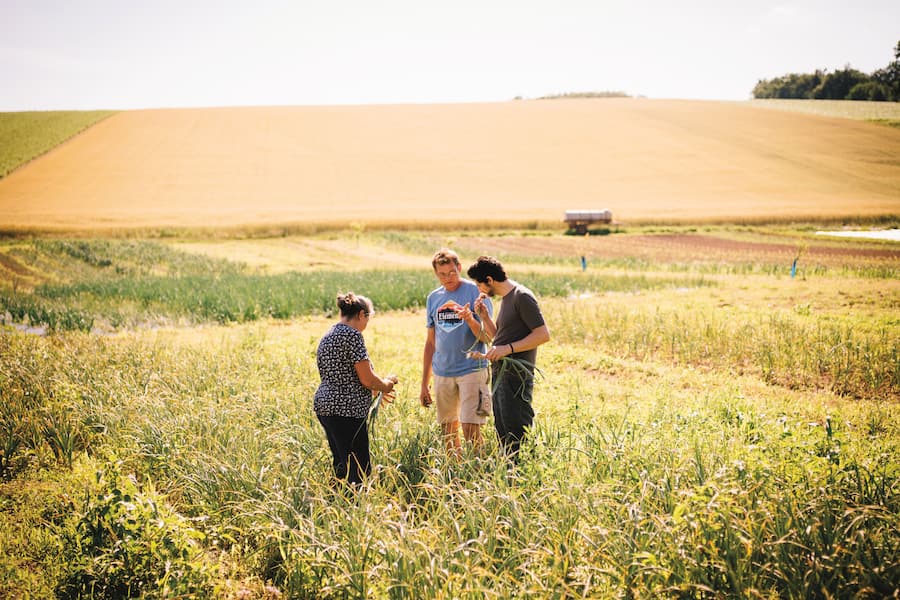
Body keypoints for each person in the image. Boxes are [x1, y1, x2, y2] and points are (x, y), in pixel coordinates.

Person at [466, 256, 550, 460]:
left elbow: (543, 335)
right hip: (502, 375)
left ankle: (523, 474)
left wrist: (508, 349)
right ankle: (510, 473)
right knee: (503, 429)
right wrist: (484, 317)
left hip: (517, 377)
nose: (480, 290)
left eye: (479, 284)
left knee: (517, 430)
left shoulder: (522, 296)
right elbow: (500, 338)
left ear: (489, 279)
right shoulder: (506, 300)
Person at [314, 292, 398, 485]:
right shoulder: (352, 335)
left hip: (326, 406)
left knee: (342, 464)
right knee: (359, 469)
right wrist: (386, 385)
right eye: (368, 318)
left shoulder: (329, 334)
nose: (366, 324)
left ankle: (336, 504)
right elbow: (367, 379)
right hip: (346, 410)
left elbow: (345, 373)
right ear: (362, 314)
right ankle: (354, 508)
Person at [420, 249, 494, 453]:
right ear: (436, 274)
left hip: (472, 368)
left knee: (471, 427)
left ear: (459, 268)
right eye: (442, 274)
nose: (448, 278)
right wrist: (424, 383)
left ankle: (479, 474)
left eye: (452, 272)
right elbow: (430, 343)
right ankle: (455, 476)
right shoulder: (434, 298)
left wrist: (470, 319)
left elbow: (489, 337)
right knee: (448, 430)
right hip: (443, 372)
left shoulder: (476, 293)